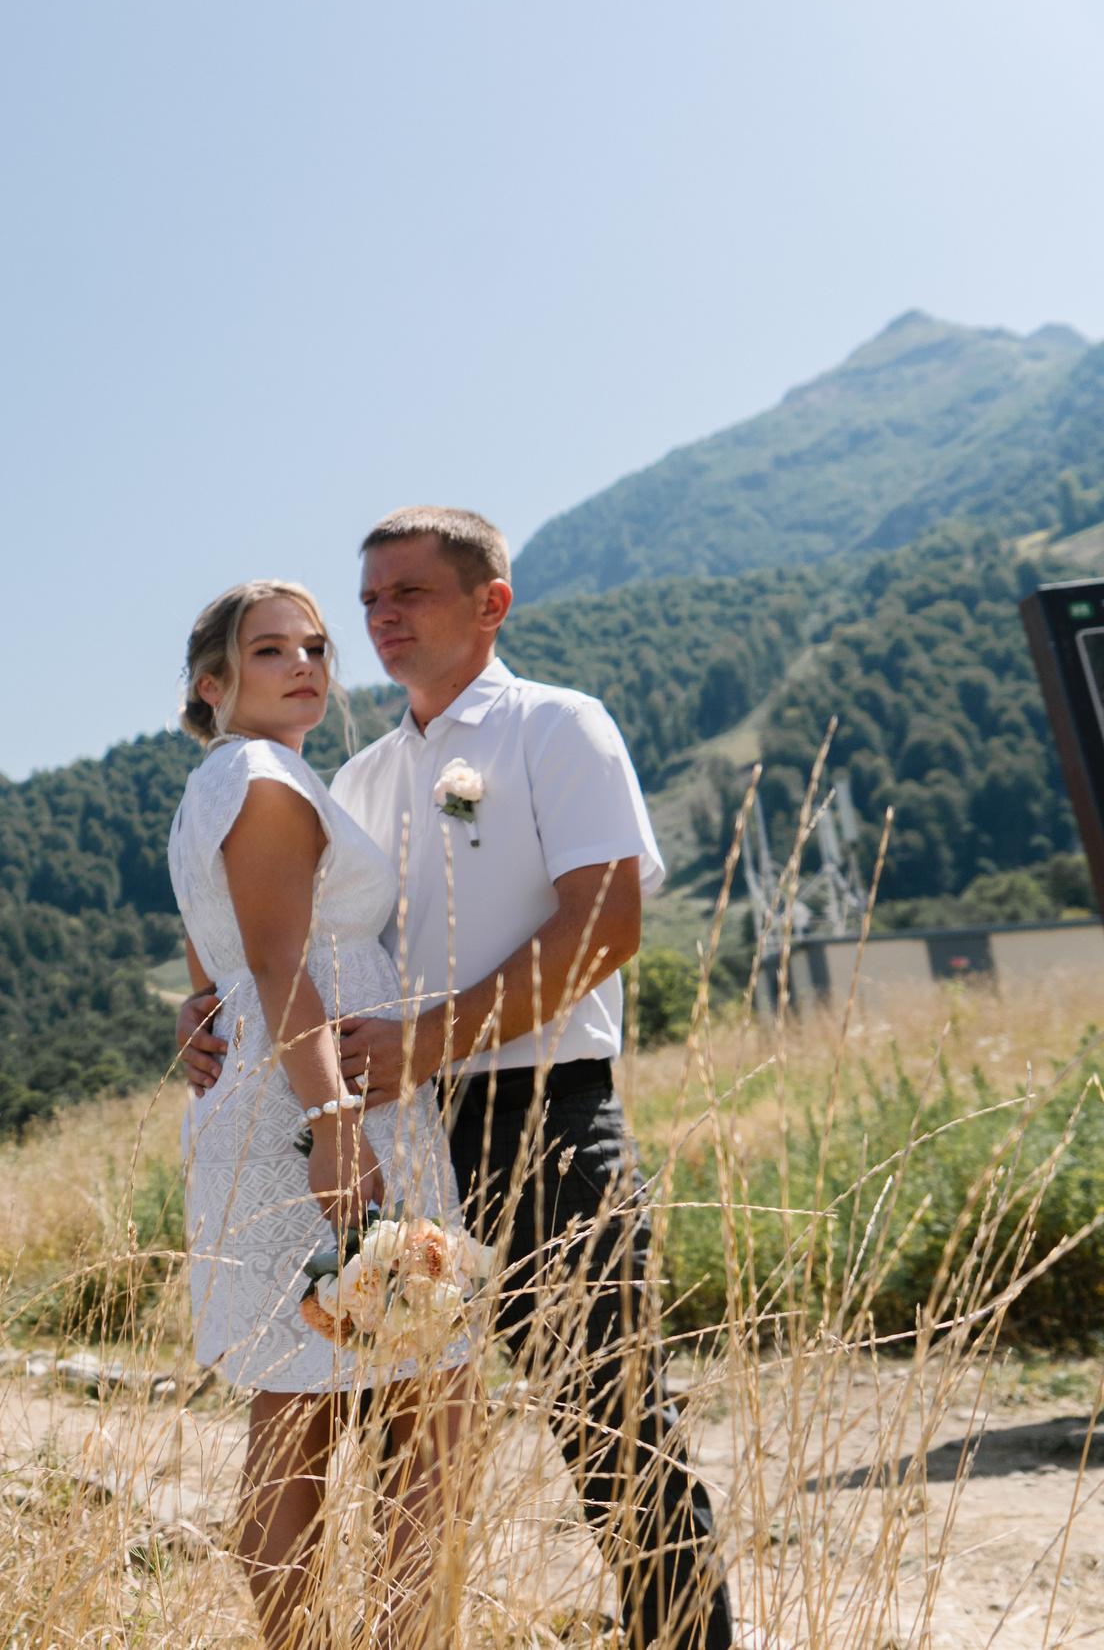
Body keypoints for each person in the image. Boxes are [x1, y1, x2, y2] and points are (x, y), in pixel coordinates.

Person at [177, 507, 736, 1650]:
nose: (379, 618)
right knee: (384, 1422)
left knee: (612, 1419)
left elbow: (609, 921)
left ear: (492, 603)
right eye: (368, 599)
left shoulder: (556, 726)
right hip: (397, 1140)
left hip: (540, 1112)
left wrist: (424, 1041)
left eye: (408, 594)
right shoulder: (362, 773)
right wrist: (211, 1010)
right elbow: (291, 938)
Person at [168, 578, 478, 1650]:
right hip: (323, 1100)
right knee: (421, 1391)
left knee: (301, 1391)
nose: (305, 663)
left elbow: (219, 973)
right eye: (268, 652)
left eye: (314, 645)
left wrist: (204, 1014)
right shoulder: (259, 777)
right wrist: (338, 1122)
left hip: (275, 1089)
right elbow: (277, 959)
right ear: (211, 686)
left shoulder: (233, 781)